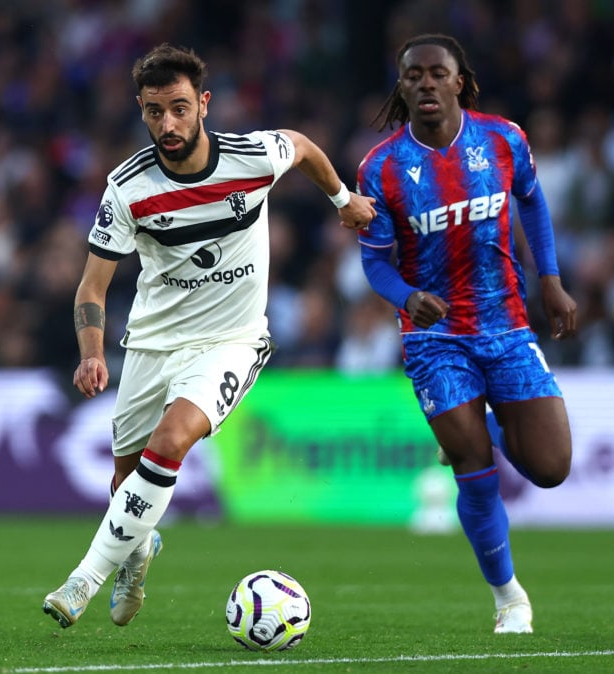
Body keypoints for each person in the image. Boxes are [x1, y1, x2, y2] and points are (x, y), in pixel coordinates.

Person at [42, 43, 376, 629]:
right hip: (151, 342)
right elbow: (91, 289)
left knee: (170, 441)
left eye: (177, 108)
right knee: (125, 482)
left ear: (203, 104)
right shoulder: (128, 189)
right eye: (152, 112)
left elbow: (300, 146)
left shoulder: (250, 157)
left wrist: (343, 201)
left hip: (232, 340)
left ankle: (82, 580)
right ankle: (138, 553)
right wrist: (91, 355)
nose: (166, 125)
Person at [356, 34, 577, 634]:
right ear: (401, 87)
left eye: (436, 73)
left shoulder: (504, 139)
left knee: (552, 467)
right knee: (472, 467)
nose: (425, 83)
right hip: (434, 338)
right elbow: (374, 260)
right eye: (413, 76)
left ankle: (496, 422)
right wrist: (407, 298)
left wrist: (550, 281)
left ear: (459, 81)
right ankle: (509, 597)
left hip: (506, 324)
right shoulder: (380, 169)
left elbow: (531, 202)